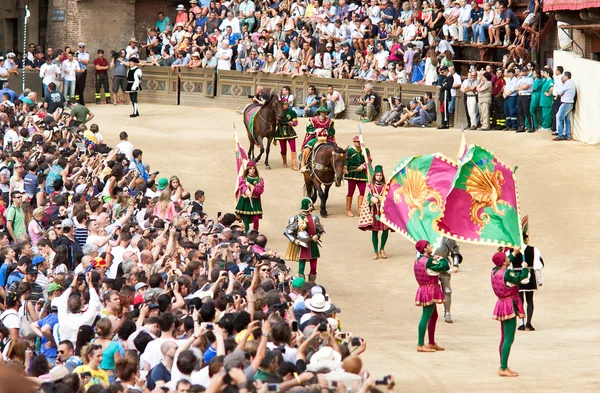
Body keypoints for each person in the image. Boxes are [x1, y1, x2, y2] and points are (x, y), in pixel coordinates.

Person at [491, 251, 528, 377]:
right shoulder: (507, 274)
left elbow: (504, 266)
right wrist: (525, 268)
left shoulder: (494, 271)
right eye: (506, 258)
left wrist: (514, 253)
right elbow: (519, 278)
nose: (508, 259)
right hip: (509, 305)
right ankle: (503, 367)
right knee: (509, 338)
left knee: (503, 337)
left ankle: (503, 364)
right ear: (503, 262)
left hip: (501, 303)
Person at [414, 240, 451, 353]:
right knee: (425, 316)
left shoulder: (418, 260)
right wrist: (440, 259)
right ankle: (420, 344)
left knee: (433, 316)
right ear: (425, 249)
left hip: (423, 288)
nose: (431, 247)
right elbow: (445, 266)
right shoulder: (429, 262)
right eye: (429, 245)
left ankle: (431, 342)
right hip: (430, 290)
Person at [284, 197, 325, 282]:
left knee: (313, 267)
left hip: (313, 244)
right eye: (310, 205)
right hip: (302, 245)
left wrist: (317, 235)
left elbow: (320, 230)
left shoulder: (314, 218)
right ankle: (301, 285)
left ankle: (311, 284)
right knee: (301, 267)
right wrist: (295, 241)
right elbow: (288, 232)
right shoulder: (296, 218)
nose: (311, 207)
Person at [510, 233, 544, 331]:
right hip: (530, 275)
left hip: (516, 276)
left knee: (519, 300)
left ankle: (521, 323)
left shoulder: (511, 251)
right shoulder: (534, 250)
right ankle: (529, 322)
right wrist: (539, 280)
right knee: (530, 300)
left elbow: (509, 267)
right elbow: (539, 266)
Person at [358, 165, 391, 260]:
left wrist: (382, 199)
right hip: (374, 212)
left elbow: (390, 198)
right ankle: (376, 251)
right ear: (374, 176)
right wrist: (371, 198)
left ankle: (382, 249)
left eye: (381, 175)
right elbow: (366, 197)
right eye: (377, 175)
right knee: (375, 231)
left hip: (384, 212)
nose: (379, 177)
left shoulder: (386, 186)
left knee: (385, 230)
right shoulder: (370, 186)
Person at [434, 237, 462, 324]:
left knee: (447, 290)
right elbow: (420, 251)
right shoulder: (428, 233)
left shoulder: (447, 236)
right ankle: (431, 313)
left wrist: (456, 264)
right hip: (431, 265)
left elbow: (455, 251)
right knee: (431, 289)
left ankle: (447, 312)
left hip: (444, 264)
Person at [299, 106, 336, 172]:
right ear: (319, 112)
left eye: (325, 112)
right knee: (307, 148)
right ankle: (303, 165)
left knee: (336, 149)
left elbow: (332, 131)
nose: (324, 114)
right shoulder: (313, 120)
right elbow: (309, 129)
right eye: (322, 112)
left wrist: (326, 132)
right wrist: (316, 130)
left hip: (326, 138)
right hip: (315, 138)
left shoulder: (330, 122)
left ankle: (336, 166)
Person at [344, 136, 370, 218]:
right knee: (351, 191)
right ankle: (348, 209)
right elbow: (346, 161)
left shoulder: (365, 150)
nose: (358, 143)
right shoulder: (350, 150)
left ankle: (360, 208)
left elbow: (369, 160)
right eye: (356, 142)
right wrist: (345, 168)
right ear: (354, 142)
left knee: (362, 191)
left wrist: (363, 165)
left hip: (362, 172)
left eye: (359, 142)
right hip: (352, 173)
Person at [234, 161, 264, 232]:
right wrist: (246, 191)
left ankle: (255, 233)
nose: (252, 170)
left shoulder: (259, 179)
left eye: (253, 168)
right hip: (245, 201)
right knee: (246, 219)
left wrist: (251, 187)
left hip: (255, 201)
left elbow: (260, 190)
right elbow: (241, 186)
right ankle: (247, 234)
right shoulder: (243, 178)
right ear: (247, 169)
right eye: (250, 169)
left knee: (256, 219)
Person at [275, 98, 299, 171]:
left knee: (293, 148)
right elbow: (274, 123)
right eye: (283, 104)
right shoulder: (277, 112)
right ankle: (284, 161)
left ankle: (294, 164)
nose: (285, 106)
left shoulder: (292, 112)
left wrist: (292, 123)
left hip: (289, 131)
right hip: (281, 131)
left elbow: (295, 122)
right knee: (283, 149)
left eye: (286, 104)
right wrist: (276, 120)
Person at [553, 71, 576, 141]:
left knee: (559, 117)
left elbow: (559, 92)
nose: (562, 78)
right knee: (567, 120)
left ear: (566, 77)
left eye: (563, 76)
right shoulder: (571, 83)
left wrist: (560, 93)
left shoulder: (567, 84)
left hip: (566, 103)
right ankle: (567, 135)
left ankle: (560, 135)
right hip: (570, 103)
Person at [515, 67, 534, 133]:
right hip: (520, 95)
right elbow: (516, 88)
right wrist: (522, 87)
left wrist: (521, 87)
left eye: (525, 71)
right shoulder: (520, 79)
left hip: (526, 96)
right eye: (523, 71)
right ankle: (522, 126)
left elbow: (526, 87)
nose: (524, 73)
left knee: (527, 111)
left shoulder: (530, 79)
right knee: (520, 112)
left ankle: (531, 127)